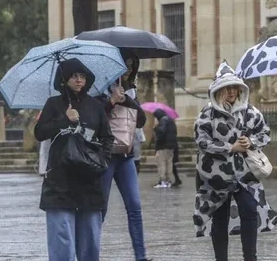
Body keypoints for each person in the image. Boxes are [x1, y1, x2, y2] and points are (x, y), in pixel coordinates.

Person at [194, 62, 277, 261]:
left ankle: (251, 257)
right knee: (220, 217)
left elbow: (265, 134)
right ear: (218, 89)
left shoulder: (250, 112)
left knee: (250, 209)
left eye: (235, 87)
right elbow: (202, 142)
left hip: (245, 173)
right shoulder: (207, 114)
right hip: (216, 175)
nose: (231, 91)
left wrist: (251, 141)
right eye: (227, 87)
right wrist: (229, 148)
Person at [35, 58, 114, 261]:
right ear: (64, 79)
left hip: (89, 180)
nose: (79, 80)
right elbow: (40, 132)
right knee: (62, 240)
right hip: (59, 181)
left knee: (90, 242)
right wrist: (64, 119)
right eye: (74, 76)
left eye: (82, 76)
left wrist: (102, 160)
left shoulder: (96, 106)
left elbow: (106, 137)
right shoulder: (53, 104)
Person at [96, 50, 151, 261]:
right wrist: (111, 101)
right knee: (101, 209)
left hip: (126, 155)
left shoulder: (132, 91)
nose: (128, 68)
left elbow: (141, 121)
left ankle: (140, 256)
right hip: (106, 155)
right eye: (124, 64)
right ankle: (91, 254)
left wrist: (127, 100)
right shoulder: (99, 89)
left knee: (135, 207)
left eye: (131, 64)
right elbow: (95, 117)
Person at [153, 108, 177, 188]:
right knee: (169, 163)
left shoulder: (163, 121)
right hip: (171, 146)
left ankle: (162, 181)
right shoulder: (171, 120)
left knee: (161, 163)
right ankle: (168, 181)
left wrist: (156, 128)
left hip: (163, 146)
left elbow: (161, 132)